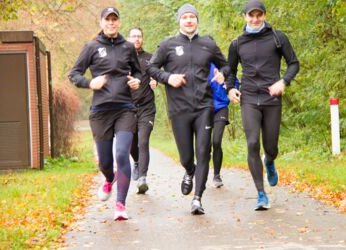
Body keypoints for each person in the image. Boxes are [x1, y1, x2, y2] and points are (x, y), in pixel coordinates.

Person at [147, 3, 229, 215]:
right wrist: (168, 78)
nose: (189, 20)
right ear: (180, 21)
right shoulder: (168, 45)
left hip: (204, 107)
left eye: (192, 17)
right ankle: (189, 171)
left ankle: (197, 198)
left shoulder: (207, 44)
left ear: (197, 21)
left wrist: (223, 74)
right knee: (186, 156)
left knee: (203, 152)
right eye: (185, 18)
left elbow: (226, 64)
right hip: (179, 109)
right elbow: (151, 67)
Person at [69, 7, 142, 221]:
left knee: (122, 154)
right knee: (105, 162)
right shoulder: (91, 47)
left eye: (114, 20)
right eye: (107, 20)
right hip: (100, 111)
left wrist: (136, 80)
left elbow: (137, 71)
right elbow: (73, 74)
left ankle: (120, 204)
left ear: (119, 23)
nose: (111, 23)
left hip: (125, 109)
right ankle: (109, 179)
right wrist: (90, 82)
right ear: (101, 22)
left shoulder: (128, 47)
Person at [226, 0, 299, 210]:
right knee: (252, 143)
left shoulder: (277, 37)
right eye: (251, 15)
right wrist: (230, 89)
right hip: (249, 98)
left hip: (272, 99)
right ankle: (261, 193)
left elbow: (294, 63)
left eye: (259, 15)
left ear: (265, 16)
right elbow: (230, 71)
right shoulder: (237, 43)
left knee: (270, 146)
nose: (255, 19)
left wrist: (283, 81)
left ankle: (269, 160)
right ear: (245, 17)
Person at [127, 27, 157, 194]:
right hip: (128, 109)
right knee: (132, 144)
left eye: (139, 36)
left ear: (142, 39)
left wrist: (155, 81)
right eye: (133, 36)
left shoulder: (150, 58)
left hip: (147, 108)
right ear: (128, 39)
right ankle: (137, 162)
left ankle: (143, 178)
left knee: (143, 141)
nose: (137, 39)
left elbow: (157, 73)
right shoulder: (123, 59)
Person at [208, 63, 239, 188]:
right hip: (204, 109)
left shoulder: (223, 66)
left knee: (216, 141)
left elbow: (234, 83)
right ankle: (203, 167)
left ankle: (216, 175)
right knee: (204, 145)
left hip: (221, 108)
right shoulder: (199, 64)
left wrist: (224, 84)